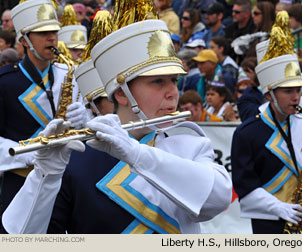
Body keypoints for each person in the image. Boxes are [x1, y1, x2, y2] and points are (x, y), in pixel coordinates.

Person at [2, 15, 232, 233]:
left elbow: (217, 199)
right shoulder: (77, 158)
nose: (173, 93)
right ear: (122, 94)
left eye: (174, 80)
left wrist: (136, 154)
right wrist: (46, 176)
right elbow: (24, 239)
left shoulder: (191, 145)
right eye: (158, 82)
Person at [0, 0, 87, 232]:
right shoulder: (4, 82)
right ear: (24, 40)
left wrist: (84, 119)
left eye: (55, 32)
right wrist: (29, 154)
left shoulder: (69, 74)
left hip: (64, 181)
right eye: (44, 33)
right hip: (20, 181)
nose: (52, 38)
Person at [231, 49, 302, 233]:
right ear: (269, 94)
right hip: (268, 223)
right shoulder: (246, 133)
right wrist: (278, 208)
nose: (296, 97)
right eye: (288, 91)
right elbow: (245, 188)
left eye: (298, 90)